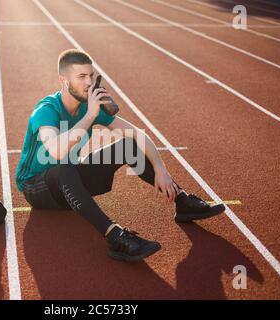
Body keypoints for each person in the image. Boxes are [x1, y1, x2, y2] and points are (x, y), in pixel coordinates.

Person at [15, 49, 225, 262]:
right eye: (81, 77)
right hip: (37, 188)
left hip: (70, 185)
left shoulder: (90, 106)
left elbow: (137, 135)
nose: (89, 82)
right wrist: (90, 116)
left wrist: (161, 170)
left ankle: (182, 201)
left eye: (91, 75)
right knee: (64, 170)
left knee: (129, 146)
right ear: (64, 80)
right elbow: (57, 151)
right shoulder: (46, 110)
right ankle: (116, 237)